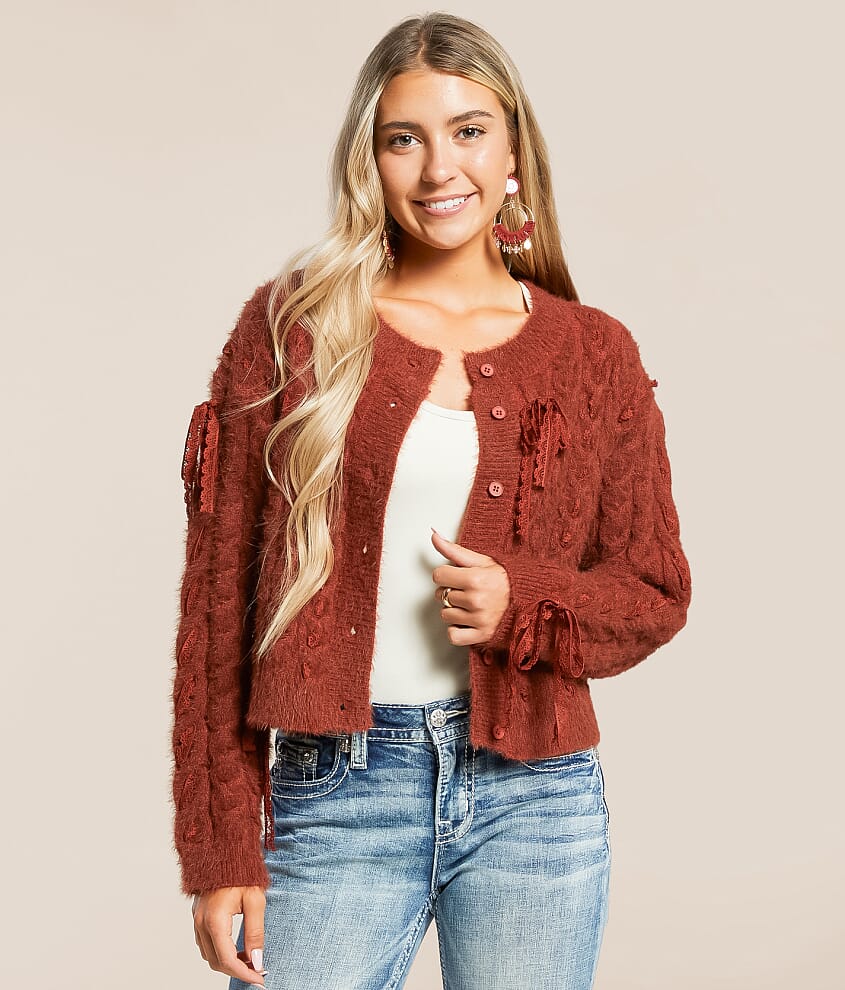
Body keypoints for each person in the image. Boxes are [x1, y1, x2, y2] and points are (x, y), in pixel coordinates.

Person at [171, 12, 692, 990]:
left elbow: (652, 591)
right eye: (402, 138)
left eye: (468, 130)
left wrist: (524, 602)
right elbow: (215, 607)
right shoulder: (292, 330)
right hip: (338, 787)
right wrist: (221, 848)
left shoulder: (594, 353)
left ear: (512, 153)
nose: (437, 167)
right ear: (368, 159)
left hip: (535, 799)